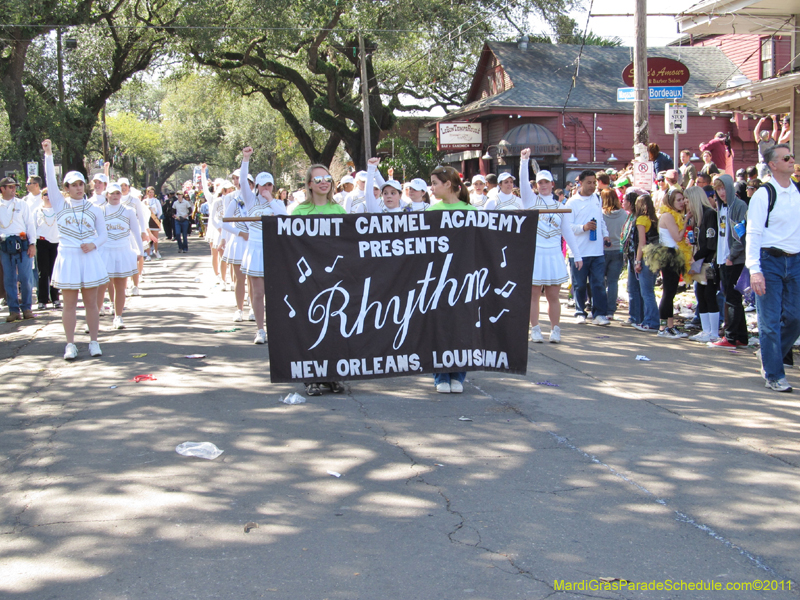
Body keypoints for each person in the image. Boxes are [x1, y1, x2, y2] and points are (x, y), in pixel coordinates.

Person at [42, 139, 109, 359]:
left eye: (81, 184)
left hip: (89, 257)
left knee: (91, 302)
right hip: (68, 257)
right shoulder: (60, 205)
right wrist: (49, 154)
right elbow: (50, 181)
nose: (78, 188)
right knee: (69, 304)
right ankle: (70, 344)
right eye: (73, 185)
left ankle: (94, 341)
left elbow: (103, 235)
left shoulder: (95, 208)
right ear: (67, 188)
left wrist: (93, 244)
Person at [746, 144, 800, 391]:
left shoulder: (797, 191)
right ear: (773, 164)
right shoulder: (763, 194)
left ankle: (768, 354)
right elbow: (753, 233)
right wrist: (754, 269)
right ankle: (774, 375)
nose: (792, 160)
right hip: (769, 261)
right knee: (768, 321)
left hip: (796, 260)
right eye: (786, 157)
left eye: (792, 156)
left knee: (796, 318)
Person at [518, 149, 582, 343]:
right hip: (535, 254)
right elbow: (522, 182)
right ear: (536, 186)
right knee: (533, 295)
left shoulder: (560, 206)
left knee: (554, 295)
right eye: (540, 183)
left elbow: (567, 232)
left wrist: (577, 255)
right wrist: (524, 160)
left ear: (552, 184)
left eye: (546, 182)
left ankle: (556, 329)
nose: (543, 185)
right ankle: (535, 329)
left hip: (554, 254)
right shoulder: (530, 201)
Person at [426, 165, 477, 393]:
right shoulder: (430, 211)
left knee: (462, 325)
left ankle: (458, 374)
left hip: (465, 277)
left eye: (435, 183)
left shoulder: (473, 211)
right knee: (438, 325)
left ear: (448, 184)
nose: (432, 187)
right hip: (436, 277)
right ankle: (440, 376)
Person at [644, 187, 692, 339]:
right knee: (668, 292)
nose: (682, 203)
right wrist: (686, 222)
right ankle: (663, 327)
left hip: (675, 254)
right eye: (678, 200)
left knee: (671, 292)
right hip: (669, 255)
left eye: (682, 200)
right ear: (670, 202)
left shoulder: (675, 215)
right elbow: (678, 237)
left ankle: (670, 326)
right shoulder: (668, 216)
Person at [565, 170, 610, 325]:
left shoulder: (597, 199)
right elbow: (567, 227)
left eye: (594, 182)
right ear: (581, 183)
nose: (592, 186)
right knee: (579, 284)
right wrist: (583, 227)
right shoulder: (572, 202)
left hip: (597, 251)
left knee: (598, 283)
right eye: (589, 182)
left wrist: (605, 234)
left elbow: (601, 219)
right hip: (579, 251)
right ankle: (580, 311)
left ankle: (599, 314)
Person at [709, 173, 749, 348]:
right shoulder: (721, 208)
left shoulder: (739, 206)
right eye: (718, 189)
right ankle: (741, 336)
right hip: (722, 258)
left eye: (723, 188)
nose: (721, 192)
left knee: (732, 298)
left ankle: (731, 337)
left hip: (734, 259)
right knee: (731, 296)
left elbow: (741, 234)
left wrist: (732, 256)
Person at [97, 183, 142, 330]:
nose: (115, 196)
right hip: (105, 251)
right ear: (106, 195)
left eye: (117, 193)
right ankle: (94, 316)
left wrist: (139, 251)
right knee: (101, 286)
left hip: (123, 250)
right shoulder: (100, 211)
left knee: (120, 286)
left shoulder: (128, 210)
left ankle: (118, 316)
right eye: (112, 194)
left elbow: (136, 231)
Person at [685, 186, 720, 343]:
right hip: (701, 261)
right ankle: (706, 330)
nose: (686, 203)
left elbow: (711, 244)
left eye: (687, 200)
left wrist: (696, 257)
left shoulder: (709, 214)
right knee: (700, 294)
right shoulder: (698, 217)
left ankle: (713, 332)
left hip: (710, 262)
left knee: (709, 294)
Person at [0, 176, 37, 322]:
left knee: (25, 277)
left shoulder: (22, 204)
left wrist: (32, 243)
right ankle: (13, 310)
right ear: (2, 189)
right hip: (4, 244)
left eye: (14, 186)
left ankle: (27, 308)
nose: (13, 189)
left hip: (22, 243)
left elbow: (30, 224)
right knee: (9, 278)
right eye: (9, 187)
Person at [631, 194, 661, 333]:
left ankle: (651, 321)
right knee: (650, 290)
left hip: (646, 256)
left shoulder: (641, 219)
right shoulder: (655, 219)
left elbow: (641, 242)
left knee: (646, 292)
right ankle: (650, 320)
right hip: (656, 256)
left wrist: (637, 261)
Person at [601, 188, 626, 320]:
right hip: (619, 249)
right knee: (613, 282)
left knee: (600, 281)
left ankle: (600, 307)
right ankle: (611, 310)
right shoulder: (623, 214)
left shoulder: (602, 214)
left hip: (603, 249)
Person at [34, 187, 60, 310]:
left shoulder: (58, 210)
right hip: (42, 242)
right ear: (42, 196)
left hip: (56, 243)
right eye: (45, 194)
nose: (48, 197)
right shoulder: (37, 211)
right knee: (43, 272)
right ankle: (42, 300)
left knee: (54, 272)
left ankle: (55, 298)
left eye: (50, 194)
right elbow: (33, 228)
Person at [755, 116, 778, 180]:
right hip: (771, 164)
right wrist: (774, 120)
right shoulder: (772, 142)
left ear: (760, 137)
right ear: (768, 136)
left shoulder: (760, 143)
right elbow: (775, 130)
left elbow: (755, 131)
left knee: (761, 181)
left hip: (763, 163)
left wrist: (760, 121)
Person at [143, 187, 162, 260]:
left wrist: (157, 218)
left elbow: (160, 211)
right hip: (147, 221)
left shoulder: (156, 201)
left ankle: (156, 251)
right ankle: (147, 254)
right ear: (147, 193)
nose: (151, 194)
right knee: (147, 239)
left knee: (155, 238)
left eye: (152, 192)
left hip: (154, 220)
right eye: (149, 192)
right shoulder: (144, 202)